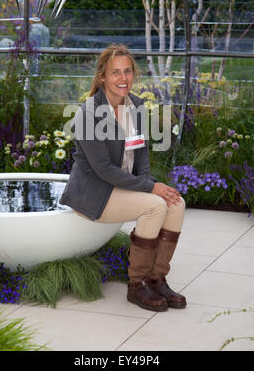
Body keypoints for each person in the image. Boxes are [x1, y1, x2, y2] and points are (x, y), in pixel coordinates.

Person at [60, 44, 186, 312]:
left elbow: (141, 156)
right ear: (102, 77)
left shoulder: (136, 106)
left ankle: (157, 278)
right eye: (115, 72)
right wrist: (150, 188)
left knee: (176, 203)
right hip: (96, 193)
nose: (123, 78)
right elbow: (104, 169)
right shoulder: (88, 113)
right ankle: (137, 284)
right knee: (156, 205)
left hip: (123, 188)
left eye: (127, 71)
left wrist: (149, 183)